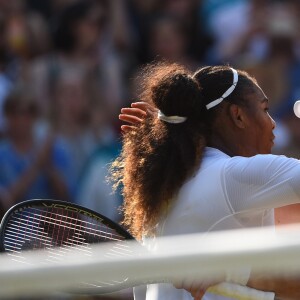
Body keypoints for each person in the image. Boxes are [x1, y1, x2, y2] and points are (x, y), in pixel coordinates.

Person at [111, 61, 300, 299]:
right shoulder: (236, 175)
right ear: (238, 115)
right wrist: (232, 271)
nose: (272, 123)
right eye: (264, 109)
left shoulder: (161, 187)